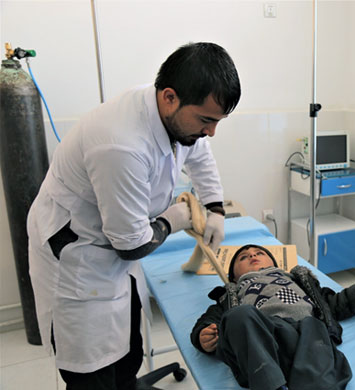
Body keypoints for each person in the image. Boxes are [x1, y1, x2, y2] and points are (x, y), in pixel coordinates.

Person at [27, 42, 241, 389]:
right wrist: (176, 218)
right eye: (206, 120)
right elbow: (130, 245)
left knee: (128, 352)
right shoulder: (119, 143)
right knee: (92, 372)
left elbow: (200, 154)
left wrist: (215, 209)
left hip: (116, 245)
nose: (210, 132)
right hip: (77, 255)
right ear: (170, 97)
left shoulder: (176, 115)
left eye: (217, 122)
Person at [190, 244, 355, 390]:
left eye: (259, 253)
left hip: (306, 333)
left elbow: (334, 305)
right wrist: (202, 336)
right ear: (233, 276)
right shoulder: (232, 295)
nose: (252, 255)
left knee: (315, 332)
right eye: (243, 257)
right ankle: (270, 385)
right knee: (238, 315)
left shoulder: (299, 281)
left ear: (275, 264)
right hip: (264, 341)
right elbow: (211, 322)